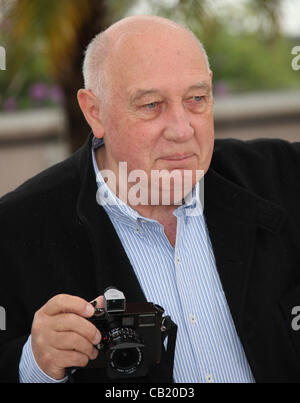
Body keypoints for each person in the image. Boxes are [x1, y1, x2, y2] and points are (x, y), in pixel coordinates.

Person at [1, 15, 300, 384]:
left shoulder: (283, 176)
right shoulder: (16, 230)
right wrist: (36, 363)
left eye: (196, 99)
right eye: (151, 105)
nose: (181, 129)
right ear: (95, 113)